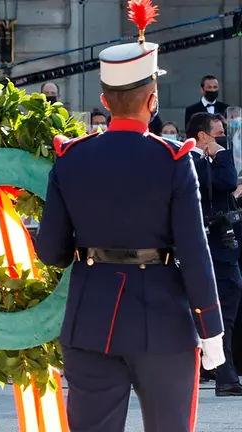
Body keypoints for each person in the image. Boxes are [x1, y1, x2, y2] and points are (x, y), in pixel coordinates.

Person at [36, 4, 225, 431]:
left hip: (90, 320)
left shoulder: (72, 157)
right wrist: (210, 327)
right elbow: (194, 252)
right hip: (163, 321)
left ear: (104, 100)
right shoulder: (174, 160)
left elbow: (49, 251)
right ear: (153, 100)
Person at [186, 112, 242, 396]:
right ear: (203, 136)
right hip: (211, 248)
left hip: (216, 245)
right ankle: (224, 374)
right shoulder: (194, 161)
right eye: (218, 135)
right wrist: (221, 153)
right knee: (221, 310)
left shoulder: (205, 161)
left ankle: (215, 369)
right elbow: (228, 180)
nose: (222, 140)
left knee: (220, 311)